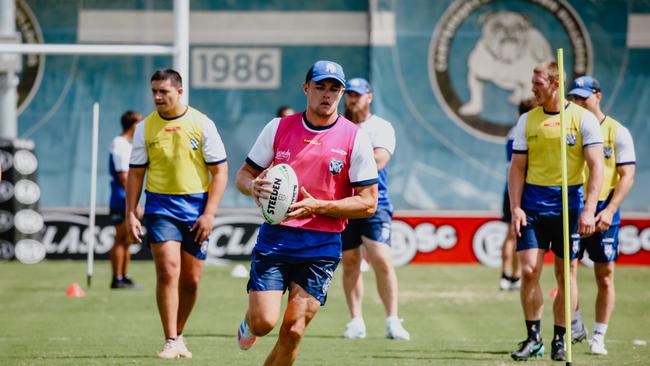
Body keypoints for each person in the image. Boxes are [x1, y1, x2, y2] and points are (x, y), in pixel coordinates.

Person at [235, 60, 379, 366]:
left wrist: (320, 206)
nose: (327, 95)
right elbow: (243, 175)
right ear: (306, 89)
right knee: (264, 323)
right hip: (277, 239)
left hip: (321, 245)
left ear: (340, 94)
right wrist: (253, 186)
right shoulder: (278, 127)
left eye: (334, 89)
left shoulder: (355, 138)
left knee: (294, 330)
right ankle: (250, 322)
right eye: (320, 87)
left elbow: (368, 203)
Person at [125, 68, 228, 359]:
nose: (158, 97)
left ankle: (179, 333)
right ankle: (170, 339)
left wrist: (209, 214)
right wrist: (131, 213)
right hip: (161, 208)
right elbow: (135, 175)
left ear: (179, 92)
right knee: (168, 270)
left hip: (197, 210)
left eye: (164, 92)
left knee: (191, 281)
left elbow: (220, 172)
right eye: (154, 91)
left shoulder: (202, 124)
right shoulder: (145, 128)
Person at [508, 61, 604, 361]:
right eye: (532, 82)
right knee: (528, 271)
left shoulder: (582, 119)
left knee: (567, 274)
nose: (533, 88)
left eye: (538, 83)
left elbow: (596, 166)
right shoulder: (527, 120)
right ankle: (533, 337)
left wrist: (589, 210)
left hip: (569, 207)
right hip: (534, 207)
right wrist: (516, 208)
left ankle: (561, 339)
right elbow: (517, 168)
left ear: (554, 83)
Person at [567, 76, 636, 355]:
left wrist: (608, 210)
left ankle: (599, 335)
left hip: (604, 207)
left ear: (598, 96)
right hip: (573, 204)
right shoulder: (569, 127)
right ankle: (574, 323)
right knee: (566, 269)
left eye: (584, 97)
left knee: (605, 275)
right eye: (574, 98)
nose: (578, 103)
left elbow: (627, 175)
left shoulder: (617, 131)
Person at [339, 77, 409, 340]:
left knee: (381, 259)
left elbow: (379, 160)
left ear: (369, 97)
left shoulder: (381, 127)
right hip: (344, 203)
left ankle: (392, 320)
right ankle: (356, 320)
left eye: (358, 94)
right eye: (350, 94)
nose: (352, 99)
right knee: (350, 262)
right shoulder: (339, 126)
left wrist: (344, 160)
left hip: (373, 202)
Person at [499, 98, 537, 291]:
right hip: (522, 189)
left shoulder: (512, 132)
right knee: (518, 235)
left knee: (509, 234)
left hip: (509, 189)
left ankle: (505, 276)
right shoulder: (526, 132)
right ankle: (515, 276)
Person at [109, 110, 142, 289]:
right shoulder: (120, 144)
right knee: (121, 238)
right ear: (133, 125)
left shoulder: (127, 144)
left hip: (125, 198)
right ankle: (117, 278)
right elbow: (123, 177)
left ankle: (124, 275)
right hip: (120, 199)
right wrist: (134, 203)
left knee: (127, 239)